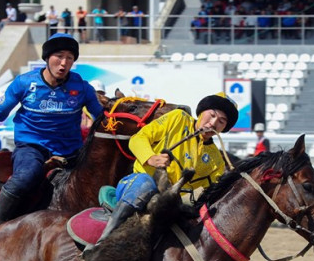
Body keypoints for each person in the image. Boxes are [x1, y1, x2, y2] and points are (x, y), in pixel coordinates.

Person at [0, 33, 104, 229]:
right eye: (59, 56)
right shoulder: (23, 83)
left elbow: (103, 120)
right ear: (47, 57)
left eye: (70, 58)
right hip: (32, 147)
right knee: (27, 176)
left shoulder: (82, 88)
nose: (64, 63)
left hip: (71, 152)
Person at [89, 92, 239, 250]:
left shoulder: (216, 160)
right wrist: (150, 158)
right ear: (202, 112)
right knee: (145, 183)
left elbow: (209, 193)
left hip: (168, 203)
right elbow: (138, 139)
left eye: (221, 121)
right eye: (212, 115)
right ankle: (102, 244)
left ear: (224, 128)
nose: (213, 123)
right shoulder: (178, 118)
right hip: (136, 185)